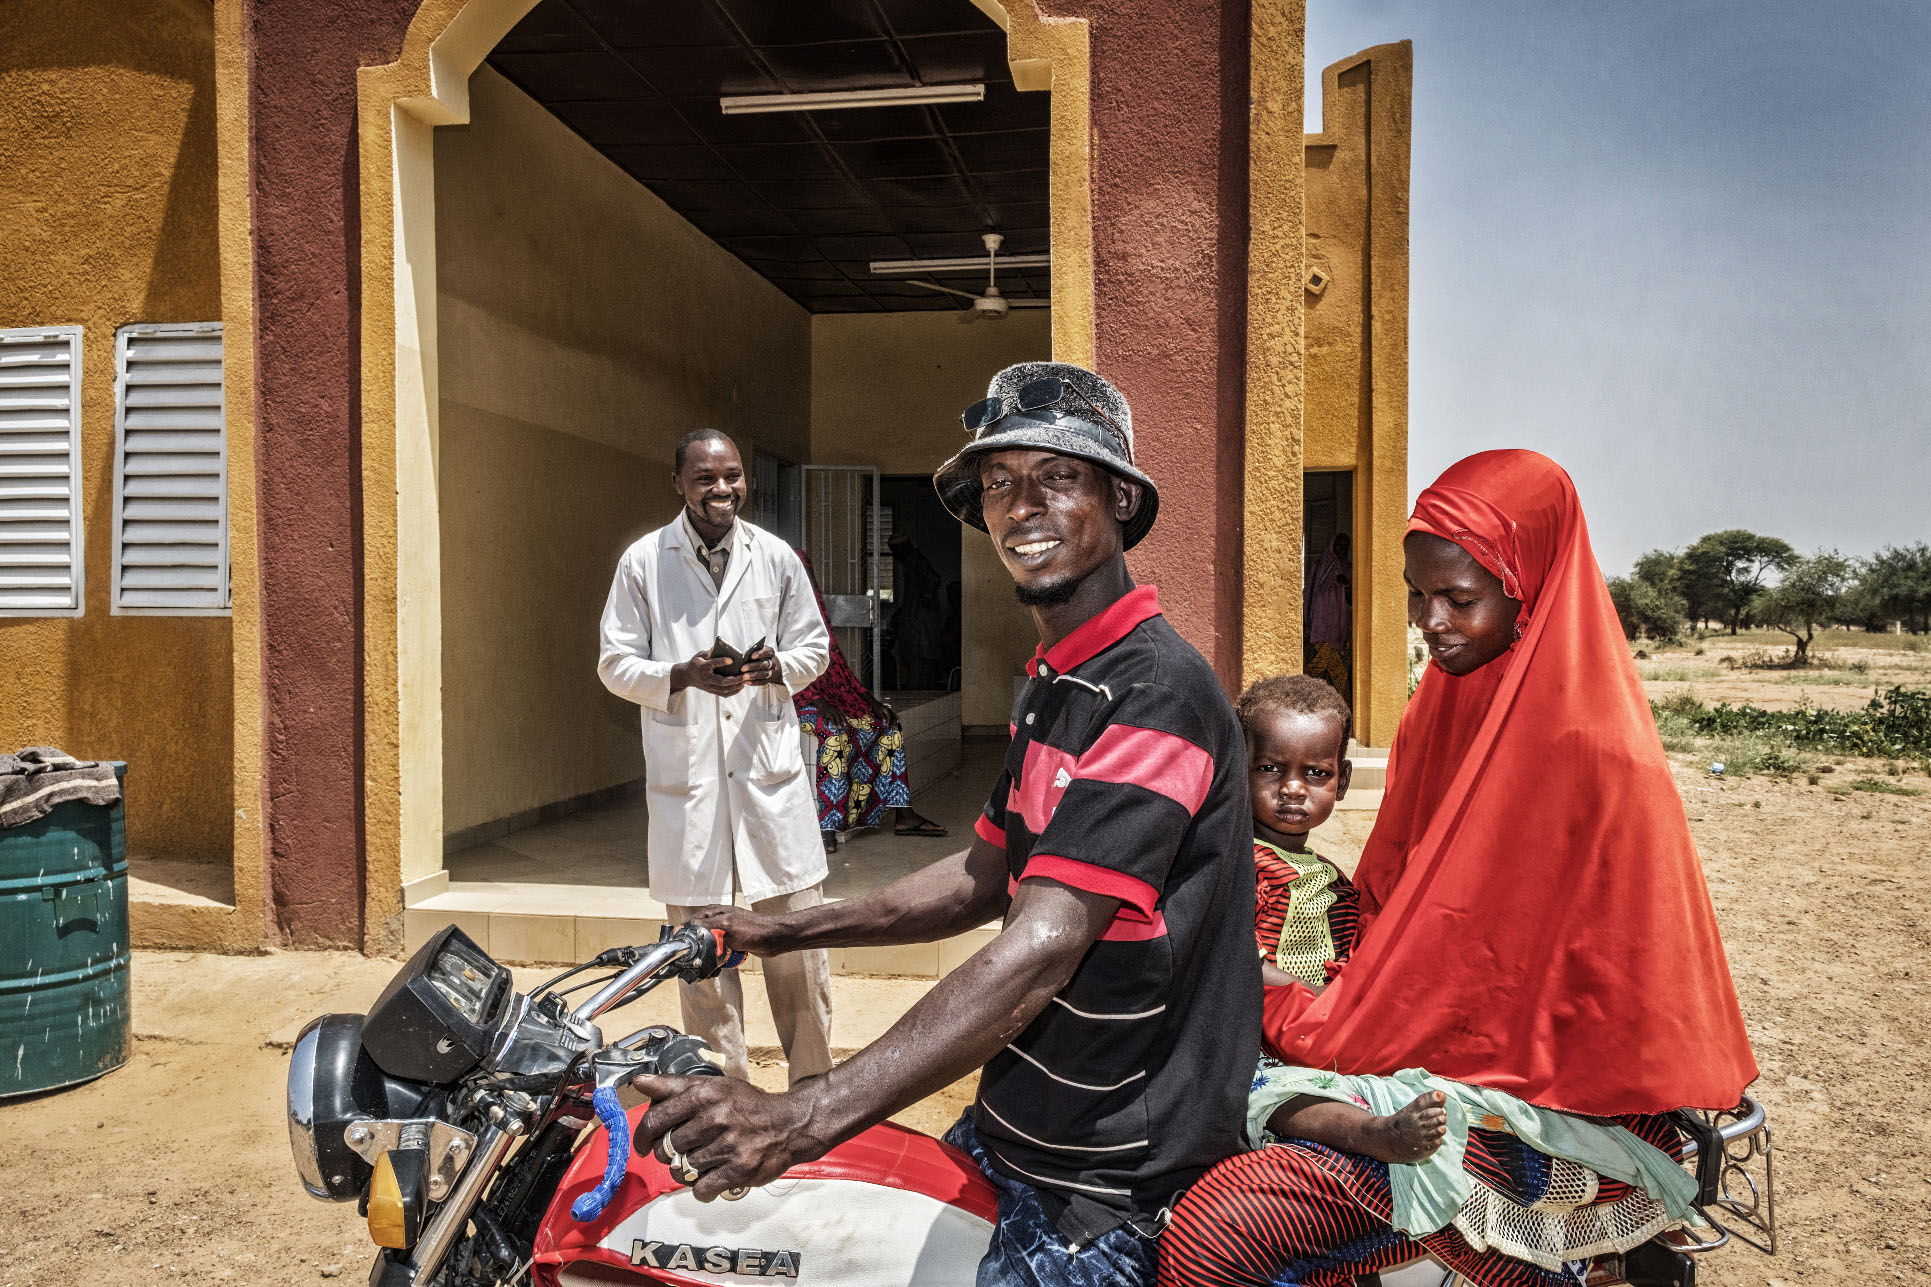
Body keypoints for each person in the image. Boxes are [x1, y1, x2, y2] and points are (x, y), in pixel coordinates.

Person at [630, 363, 1261, 1287]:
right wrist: (770, 929)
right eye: (999, 484)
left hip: (1110, 1173)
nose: (1020, 506)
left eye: (1056, 477)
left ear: (1120, 497)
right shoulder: (1059, 681)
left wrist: (802, 1115)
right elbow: (979, 875)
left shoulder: (1156, 690)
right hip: (1021, 1118)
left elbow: (1041, 943)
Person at [1160, 450, 1759, 1287]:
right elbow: (1403, 911)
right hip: (1411, 1034)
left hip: (1540, 1082)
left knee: (1222, 1231)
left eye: (1459, 600)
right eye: (1416, 593)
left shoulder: (1597, 760)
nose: (1429, 621)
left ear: (1532, 588)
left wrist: (1314, 1011)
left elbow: (1547, 989)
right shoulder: (1440, 703)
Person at [596, 428, 834, 1086]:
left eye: (731, 475)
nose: (721, 488)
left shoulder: (776, 556)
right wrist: (680, 674)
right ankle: (722, 1097)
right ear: (678, 483)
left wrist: (775, 665)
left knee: (797, 951)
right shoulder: (644, 562)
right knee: (703, 962)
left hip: (768, 778)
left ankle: (813, 1091)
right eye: (705, 478)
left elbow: (813, 647)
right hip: (690, 783)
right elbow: (614, 663)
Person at [1238, 674, 1448, 1165]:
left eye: (1316, 773)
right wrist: (1309, 1000)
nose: (1292, 789)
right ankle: (1371, 1134)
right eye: (1270, 768)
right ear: (1236, 768)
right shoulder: (1234, 864)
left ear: (1344, 780)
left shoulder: (1335, 880)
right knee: (1273, 1096)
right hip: (1254, 1042)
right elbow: (1231, 956)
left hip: (1323, 1036)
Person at [791, 548, 948, 850]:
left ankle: (904, 814)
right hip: (792, 704)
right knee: (835, 736)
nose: (807, 582)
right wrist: (816, 701)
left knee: (887, 725)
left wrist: (868, 699)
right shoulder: (772, 613)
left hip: (824, 698)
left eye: (808, 575)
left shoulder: (815, 615)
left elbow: (835, 666)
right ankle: (827, 827)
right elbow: (777, 670)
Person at [1303, 532, 1352, 705]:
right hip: (1320, 629)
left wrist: (1345, 584)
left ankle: (1340, 714)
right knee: (1320, 671)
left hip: (1340, 631)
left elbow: (1353, 600)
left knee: (1335, 674)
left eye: (1345, 546)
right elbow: (1308, 596)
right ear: (1332, 546)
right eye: (1339, 545)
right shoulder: (1318, 570)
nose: (1342, 549)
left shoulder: (1349, 569)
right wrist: (1306, 624)